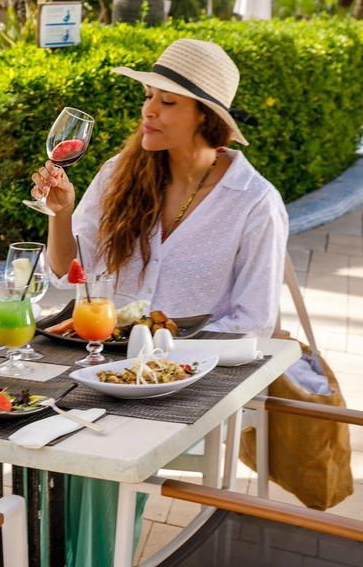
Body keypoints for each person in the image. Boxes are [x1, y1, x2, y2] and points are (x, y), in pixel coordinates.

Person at [31, 39, 288, 565]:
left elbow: (252, 322)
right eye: (149, 96)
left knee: (92, 447)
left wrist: (163, 366)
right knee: (27, 426)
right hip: (97, 359)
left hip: (188, 380)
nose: (148, 111)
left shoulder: (254, 202)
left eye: (168, 102)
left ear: (207, 119)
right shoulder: (118, 173)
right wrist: (61, 214)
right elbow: (66, 275)